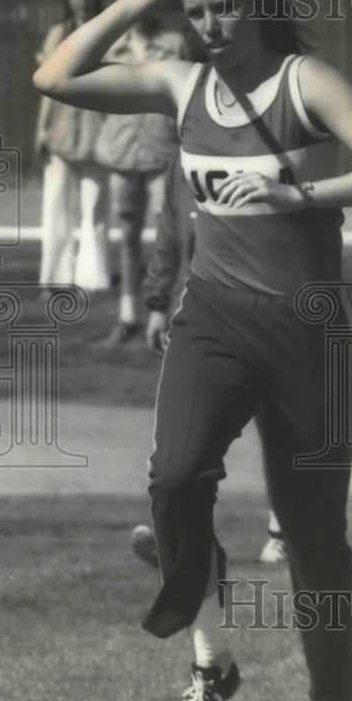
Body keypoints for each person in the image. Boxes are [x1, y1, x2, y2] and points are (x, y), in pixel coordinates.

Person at [34, 0, 352, 701]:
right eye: (194, 12)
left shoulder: (304, 81)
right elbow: (55, 77)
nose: (208, 26)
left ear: (258, 1)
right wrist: (137, 0)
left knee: (313, 539)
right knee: (175, 482)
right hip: (215, 322)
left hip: (307, 335)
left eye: (223, 8)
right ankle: (210, 656)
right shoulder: (177, 80)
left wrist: (296, 195)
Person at [132, 151, 287, 566]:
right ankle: (184, 540)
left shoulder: (268, 152)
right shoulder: (181, 163)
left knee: (278, 431)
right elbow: (170, 234)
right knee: (187, 443)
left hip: (269, 314)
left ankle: (283, 530)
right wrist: (156, 303)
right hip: (200, 317)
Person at [94, 8, 185, 344]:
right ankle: (129, 314)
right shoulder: (113, 48)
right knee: (128, 235)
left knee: (169, 236)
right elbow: (100, 98)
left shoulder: (174, 44)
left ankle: (166, 313)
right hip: (122, 154)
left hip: (163, 153)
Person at [35, 0, 110, 291]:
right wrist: (41, 128)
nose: (83, 1)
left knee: (94, 205)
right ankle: (54, 276)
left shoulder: (108, 30)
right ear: (69, 0)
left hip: (97, 127)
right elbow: (48, 84)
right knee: (56, 205)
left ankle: (93, 278)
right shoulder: (58, 34)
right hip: (62, 129)